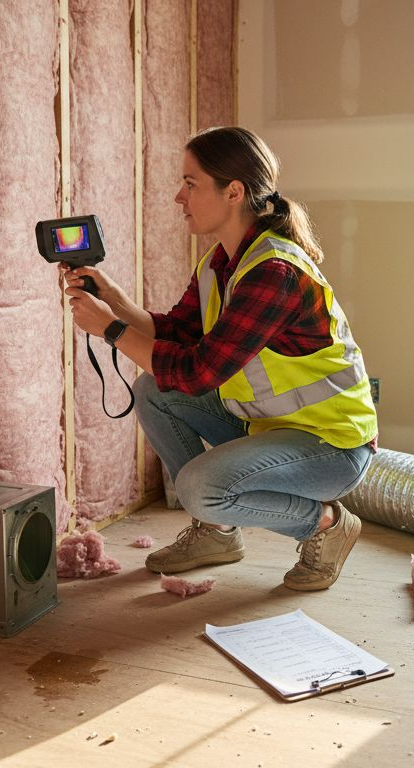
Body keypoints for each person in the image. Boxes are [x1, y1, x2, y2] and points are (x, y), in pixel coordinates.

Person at [60, 126, 377, 591]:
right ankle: (216, 534)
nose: (178, 197)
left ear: (233, 192)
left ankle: (328, 524)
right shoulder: (220, 263)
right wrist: (116, 301)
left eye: (190, 184)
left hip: (331, 447)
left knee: (199, 487)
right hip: (269, 428)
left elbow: (197, 372)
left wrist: (109, 328)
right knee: (154, 390)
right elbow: (179, 334)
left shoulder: (274, 273)